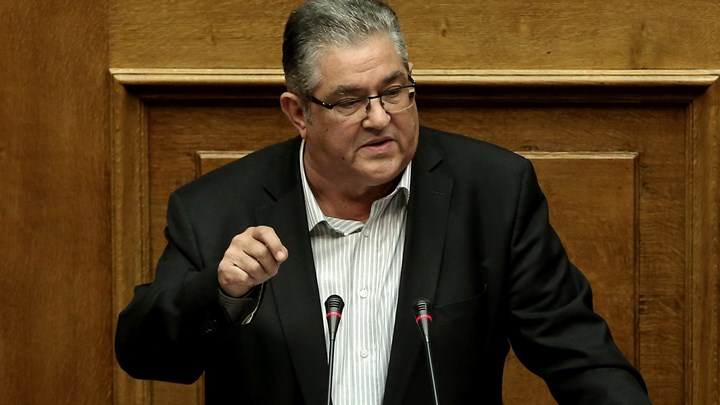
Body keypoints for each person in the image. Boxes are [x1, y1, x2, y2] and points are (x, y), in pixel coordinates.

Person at [115, 0, 652, 403]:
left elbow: (580, 357)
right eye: (349, 101)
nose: (379, 118)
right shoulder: (216, 207)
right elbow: (144, 355)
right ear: (299, 113)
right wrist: (223, 292)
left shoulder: (492, 191)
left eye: (394, 92)